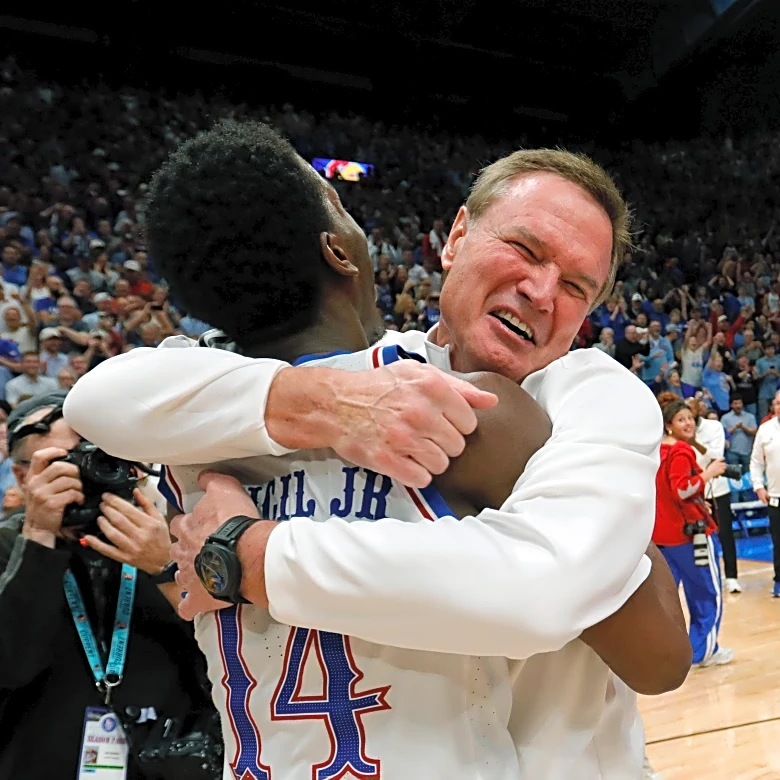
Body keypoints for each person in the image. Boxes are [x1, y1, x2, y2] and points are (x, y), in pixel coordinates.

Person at [65, 125, 689, 777]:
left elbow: (647, 649)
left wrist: (248, 555)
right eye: (523, 248)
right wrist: (328, 404)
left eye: (576, 287)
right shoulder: (375, 384)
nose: (541, 290)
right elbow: (94, 397)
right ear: (455, 238)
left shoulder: (587, 391)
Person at [0, 393, 216, 779]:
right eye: (65, 463)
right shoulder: (8, 546)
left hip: (170, 760)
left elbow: (226, 655)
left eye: (97, 456)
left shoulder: (172, 534)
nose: (87, 473)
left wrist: (166, 567)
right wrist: (38, 537)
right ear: (21, 475)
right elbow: (8, 666)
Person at [654, 397, 733, 666]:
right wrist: (709, 474)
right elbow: (682, 489)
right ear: (669, 425)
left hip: (663, 537)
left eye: (689, 418)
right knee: (707, 594)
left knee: (670, 600)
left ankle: (673, 653)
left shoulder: (656, 450)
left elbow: (670, 492)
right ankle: (704, 653)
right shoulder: (681, 451)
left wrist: (698, 497)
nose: (687, 423)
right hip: (690, 535)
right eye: (681, 419)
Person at [684, 397, 741, 593]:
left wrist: (695, 443)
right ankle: (702, 581)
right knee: (696, 537)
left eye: (690, 414)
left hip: (717, 489)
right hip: (694, 491)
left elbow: (717, 455)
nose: (687, 421)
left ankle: (732, 577)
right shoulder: (679, 431)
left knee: (725, 534)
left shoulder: (714, 427)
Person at [749, 391, 780, 597]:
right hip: (776, 497)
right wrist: (759, 486)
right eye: (777, 403)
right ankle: (779, 580)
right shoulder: (765, 429)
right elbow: (756, 462)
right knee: (778, 542)